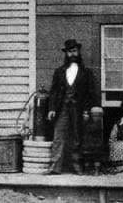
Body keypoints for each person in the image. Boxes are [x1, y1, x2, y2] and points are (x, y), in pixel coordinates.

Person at [47, 38, 95, 175]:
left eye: (74, 51)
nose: (72, 54)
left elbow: (89, 94)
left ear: (78, 52)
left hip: (78, 109)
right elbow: (54, 92)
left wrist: (86, 110)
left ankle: (77, 166)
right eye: (69, 52)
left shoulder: (86, 73)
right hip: (62, 108)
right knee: (58, 136)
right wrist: (51, 109)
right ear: (66, 54)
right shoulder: (59, 72)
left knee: (77, 137)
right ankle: (55, 166)